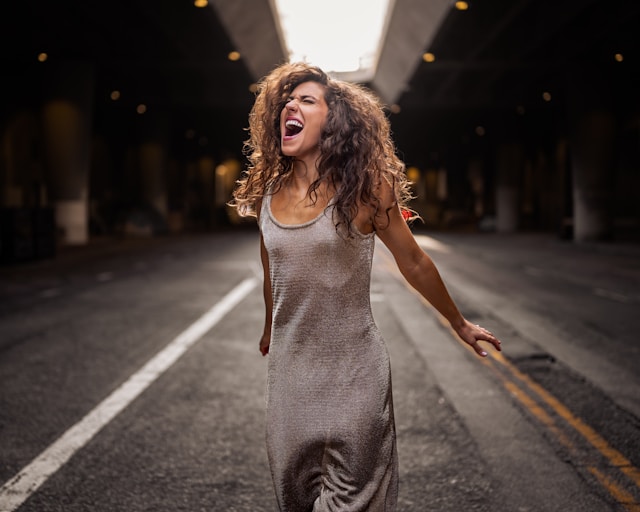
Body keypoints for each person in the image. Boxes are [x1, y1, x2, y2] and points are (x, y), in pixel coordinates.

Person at [231, 62, 502, 512]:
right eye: (286, 101)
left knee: (356, 502)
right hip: (290, 376)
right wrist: (268, 328)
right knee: (293, 498)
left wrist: (459, 322)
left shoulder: (365, 189)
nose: (290, 107)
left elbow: (413, 261)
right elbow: (270, 266)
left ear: (333, 120)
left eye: (306, 100)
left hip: (356, 375)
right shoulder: (268, 195)